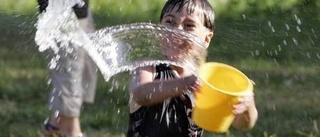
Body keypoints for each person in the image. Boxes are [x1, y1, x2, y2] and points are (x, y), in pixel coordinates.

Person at [127, 0, 258, 136]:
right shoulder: (147, 67)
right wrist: (185, 83)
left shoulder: (206, 79)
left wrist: (246, 106)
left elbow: (243, 124)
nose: (177, 30)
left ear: (206, 40)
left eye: (189, 25)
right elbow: (140, 94)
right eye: (170, 22)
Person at [37, 0, 98, 137]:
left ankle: (56, 125)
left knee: (84, 67)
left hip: (77, 9)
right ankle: (69, 130)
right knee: (69, 71)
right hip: (62, 8)